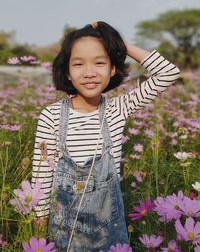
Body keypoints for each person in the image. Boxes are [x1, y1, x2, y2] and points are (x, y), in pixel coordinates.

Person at [31, 21, 180, 251]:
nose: (90, 73)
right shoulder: (51, 116)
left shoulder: (118, 109)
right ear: (67, 73)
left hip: (110, 236)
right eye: (78, 64)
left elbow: (168, 73)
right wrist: (38, 233)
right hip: (64, 236)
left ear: (112, 70)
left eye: (100, 62)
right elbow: (41, 178)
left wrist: (118, 43)